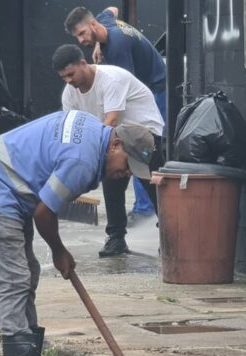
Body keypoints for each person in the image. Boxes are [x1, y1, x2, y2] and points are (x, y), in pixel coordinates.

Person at [0, 110, 156, 356]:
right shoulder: (82, 160)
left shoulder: (92, 132)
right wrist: (59, 250)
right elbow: (44, 213)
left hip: (2, 187)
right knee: (13, 280)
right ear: (116, 145)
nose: (126, 174)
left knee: (27, 273)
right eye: (128, 165)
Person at [53, 44, 164, 258]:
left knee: (153, 187)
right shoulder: (69, 94)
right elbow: (72, 129)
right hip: (111, 137)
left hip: (142, 134)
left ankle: (169, 236)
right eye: (63, 77)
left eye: (71, 74)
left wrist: (93, 157)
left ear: (83, 64)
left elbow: (111, 121)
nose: (69, 81)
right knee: (111, 181)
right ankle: (116, 238)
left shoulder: (111, 79)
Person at [64, 6, 165, 221]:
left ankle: (144, 209)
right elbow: (113, 8)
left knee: (137, 147)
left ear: (93, 26)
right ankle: (123, 226)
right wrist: (99, 42)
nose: (81, 41)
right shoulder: (104, 20)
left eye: (82, 33)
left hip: (156, 88)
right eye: (77, 37)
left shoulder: (118, 50)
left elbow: (121, 97)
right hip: (149, 80)